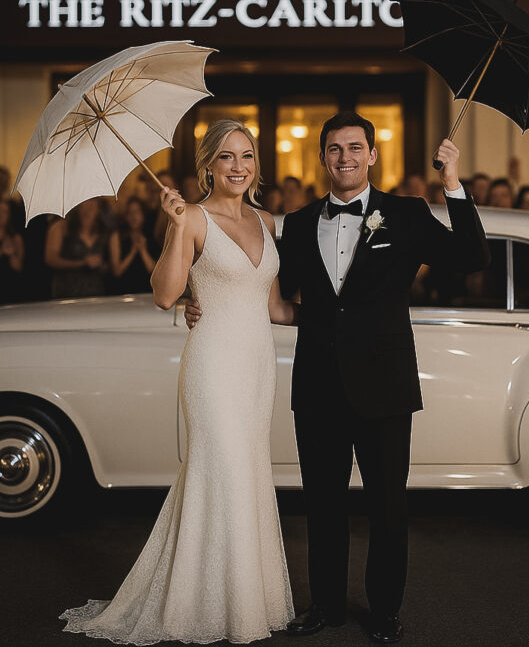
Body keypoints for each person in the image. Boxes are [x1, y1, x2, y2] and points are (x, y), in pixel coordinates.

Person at [188, 111, 490, 643]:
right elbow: (261, 291)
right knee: (321, 506)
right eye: (335, 149)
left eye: (355, 148)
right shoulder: (298, 224)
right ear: (323, 157)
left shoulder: (407, 213)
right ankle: (324, 605)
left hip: (386, 386)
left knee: (387, 507)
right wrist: (197, 303)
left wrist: (451, 183)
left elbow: (471, 257)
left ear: (372, 155)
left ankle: (385, 611)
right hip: (319, 386)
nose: (346, 157)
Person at [60, 120, 297, 644]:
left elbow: (276, 306)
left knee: (247, 471)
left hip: (257, 365)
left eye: (247, 156)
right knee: (224, 467)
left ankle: (241, 603)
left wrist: (344, 315)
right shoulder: (191, 216)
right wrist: (174, 228)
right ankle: (217, 609)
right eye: (227, 157)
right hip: (213, 363)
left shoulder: (267, 222)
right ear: (208, 165)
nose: (239, 166)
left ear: (257, 164)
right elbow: (167, 296)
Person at [45, 197, 109, 298]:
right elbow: (51, 259)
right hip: (67, 293)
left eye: (94, 201)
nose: (90, 205)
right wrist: (82, 263)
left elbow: (110, 266)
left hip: (95, 294)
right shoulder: (61, 227)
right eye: (86, 200)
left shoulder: (102, 230)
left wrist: (101, 265)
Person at [108, 196, 158, 294]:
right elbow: (117, 271)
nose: (133, 216)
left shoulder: (151, 236)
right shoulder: (117, 236)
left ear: (143, 215)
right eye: (129, 213)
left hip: (147, 293)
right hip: (123, 292)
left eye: (137, 212)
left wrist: (143, 250)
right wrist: (133, 251)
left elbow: (155, 272)